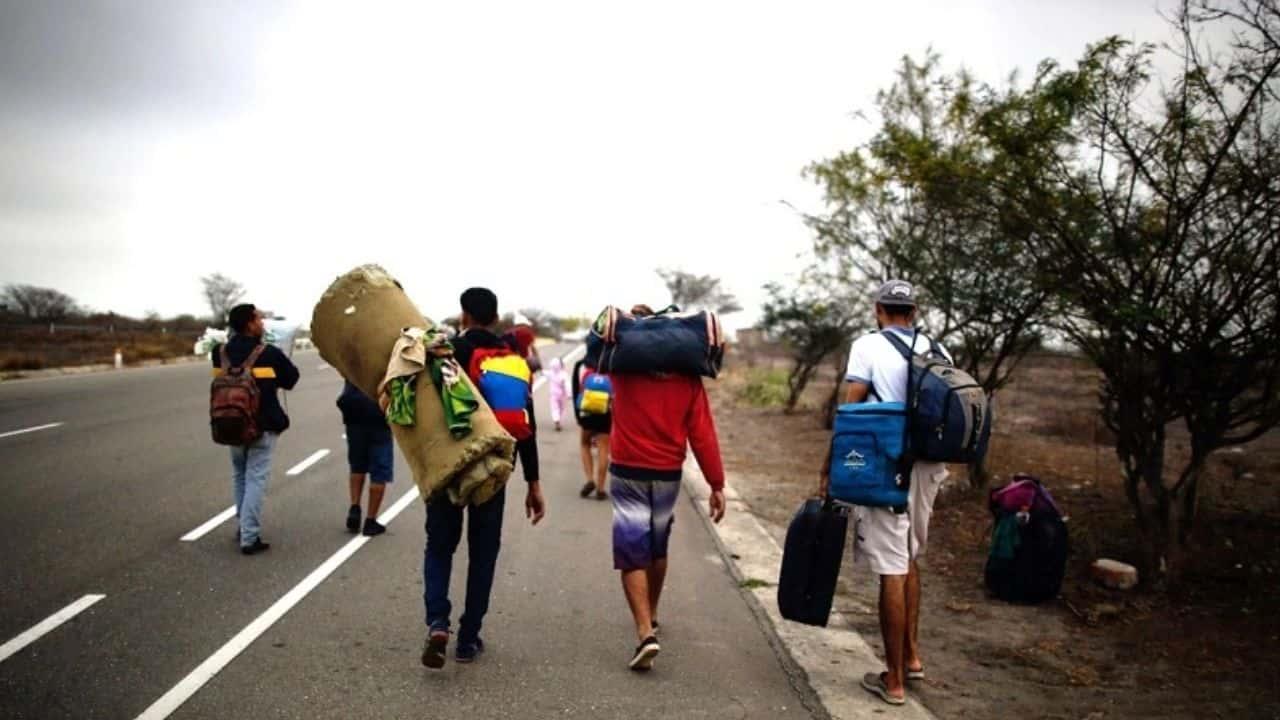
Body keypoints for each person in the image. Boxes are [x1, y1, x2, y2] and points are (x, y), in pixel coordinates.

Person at [818, 280, 950, 706]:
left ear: (879, 310)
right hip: (930, 466)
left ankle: (892, 681)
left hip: (887, 464)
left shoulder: (867, 347)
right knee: (910, 557)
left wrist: (830, 465)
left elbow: (853, 410)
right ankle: (912, 657)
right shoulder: (938, 349)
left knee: (891, 568)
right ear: (913, 311)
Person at [420, 287, 546, 668]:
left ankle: (438, 622)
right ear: (493, 317)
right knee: (483, 553)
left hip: (449, 464)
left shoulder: (446, 353)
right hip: (493, 468)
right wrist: (534, 483)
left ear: (464, 314)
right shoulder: (512, 359)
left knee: (440, 546)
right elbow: (527, 423)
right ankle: (469, 637)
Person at [607, 304, 726, 671]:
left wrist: (626, 322)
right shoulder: (688, 380)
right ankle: (652, 614)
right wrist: (716, 483)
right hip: (668, 473)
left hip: (628, 470)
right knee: (657, 546)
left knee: (631, 552)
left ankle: (645, 632)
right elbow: (702, 434)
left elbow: (605, 346)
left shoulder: (622, 371)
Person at [211, 303, 300, 555]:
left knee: (240, 475)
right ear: (249, 323)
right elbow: (291, 379)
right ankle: (249, 537)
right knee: (256, 478)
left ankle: (243, 526)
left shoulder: (220, 352)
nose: (262, 323)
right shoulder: (269, 353)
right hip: (262, 426)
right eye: (259, 319)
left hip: (229, 422)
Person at [338, 380, 393, 537]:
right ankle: (370, 520)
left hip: (354, 410)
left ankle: (355, 507)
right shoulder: (386, 356)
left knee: (357, 465)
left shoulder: (353, 355)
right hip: (378, 413)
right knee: (380, 471)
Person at [572, 357, 611, 500]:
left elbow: (581, 394)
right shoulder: (611, 375)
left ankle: (590, 480)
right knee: (603, 449)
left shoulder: (588, 373)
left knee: (584, 444)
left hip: (588, 415)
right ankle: (600, 488)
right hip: (605, 414)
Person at [545, 357, 571, 432]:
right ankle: (559, 420)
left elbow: (543, 373)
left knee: (554, 408)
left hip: (553, 394)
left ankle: (556, 420)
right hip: (562, 395)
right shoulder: (564, 374)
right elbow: (567, 385)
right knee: (562, 408)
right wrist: (569, 394)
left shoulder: (550, 373)